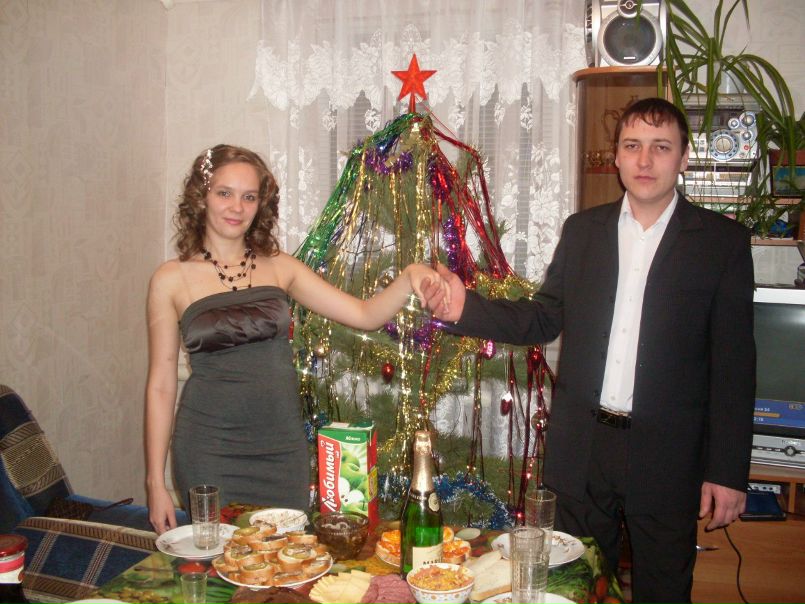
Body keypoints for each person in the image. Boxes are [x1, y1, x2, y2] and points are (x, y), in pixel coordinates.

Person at [423, 98, 755, 603]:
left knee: (665, 591)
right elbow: (542, 318)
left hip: (667, 456)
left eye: (661, 147)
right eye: (633, 146)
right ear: (617, 156)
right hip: (583, 448)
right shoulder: (583, 232)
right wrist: (463, 307)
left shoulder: (721, 243)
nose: (645, 160)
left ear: (684, 158)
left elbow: (734, 367)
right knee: (577, 587)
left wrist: (727, 473)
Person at [145, 144, 449, 535]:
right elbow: (161, 384)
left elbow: (364, 315)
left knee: (288, 560)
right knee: (221, 562)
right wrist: (155, 483)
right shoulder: (170, 278)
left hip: (281, 449)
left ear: (261, 204)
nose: (237, 207)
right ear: (201, 196)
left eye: (249, 196)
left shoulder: (280, 267)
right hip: (209, 449)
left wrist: (409, 276)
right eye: (224, 193)